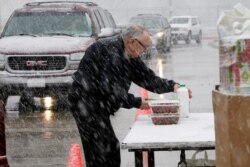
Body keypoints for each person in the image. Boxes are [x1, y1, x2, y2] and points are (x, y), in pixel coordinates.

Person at [68, 24, 192, 167]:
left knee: (108, 148)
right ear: (132, 42)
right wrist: (137, 102)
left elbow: (147, 78)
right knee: (102, 150)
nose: (145, 51)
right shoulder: (108, 52)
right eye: (144, 47)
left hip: (99, 103)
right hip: (85, 102)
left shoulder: (130, 54)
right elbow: (111, 90)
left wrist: (173, 86)